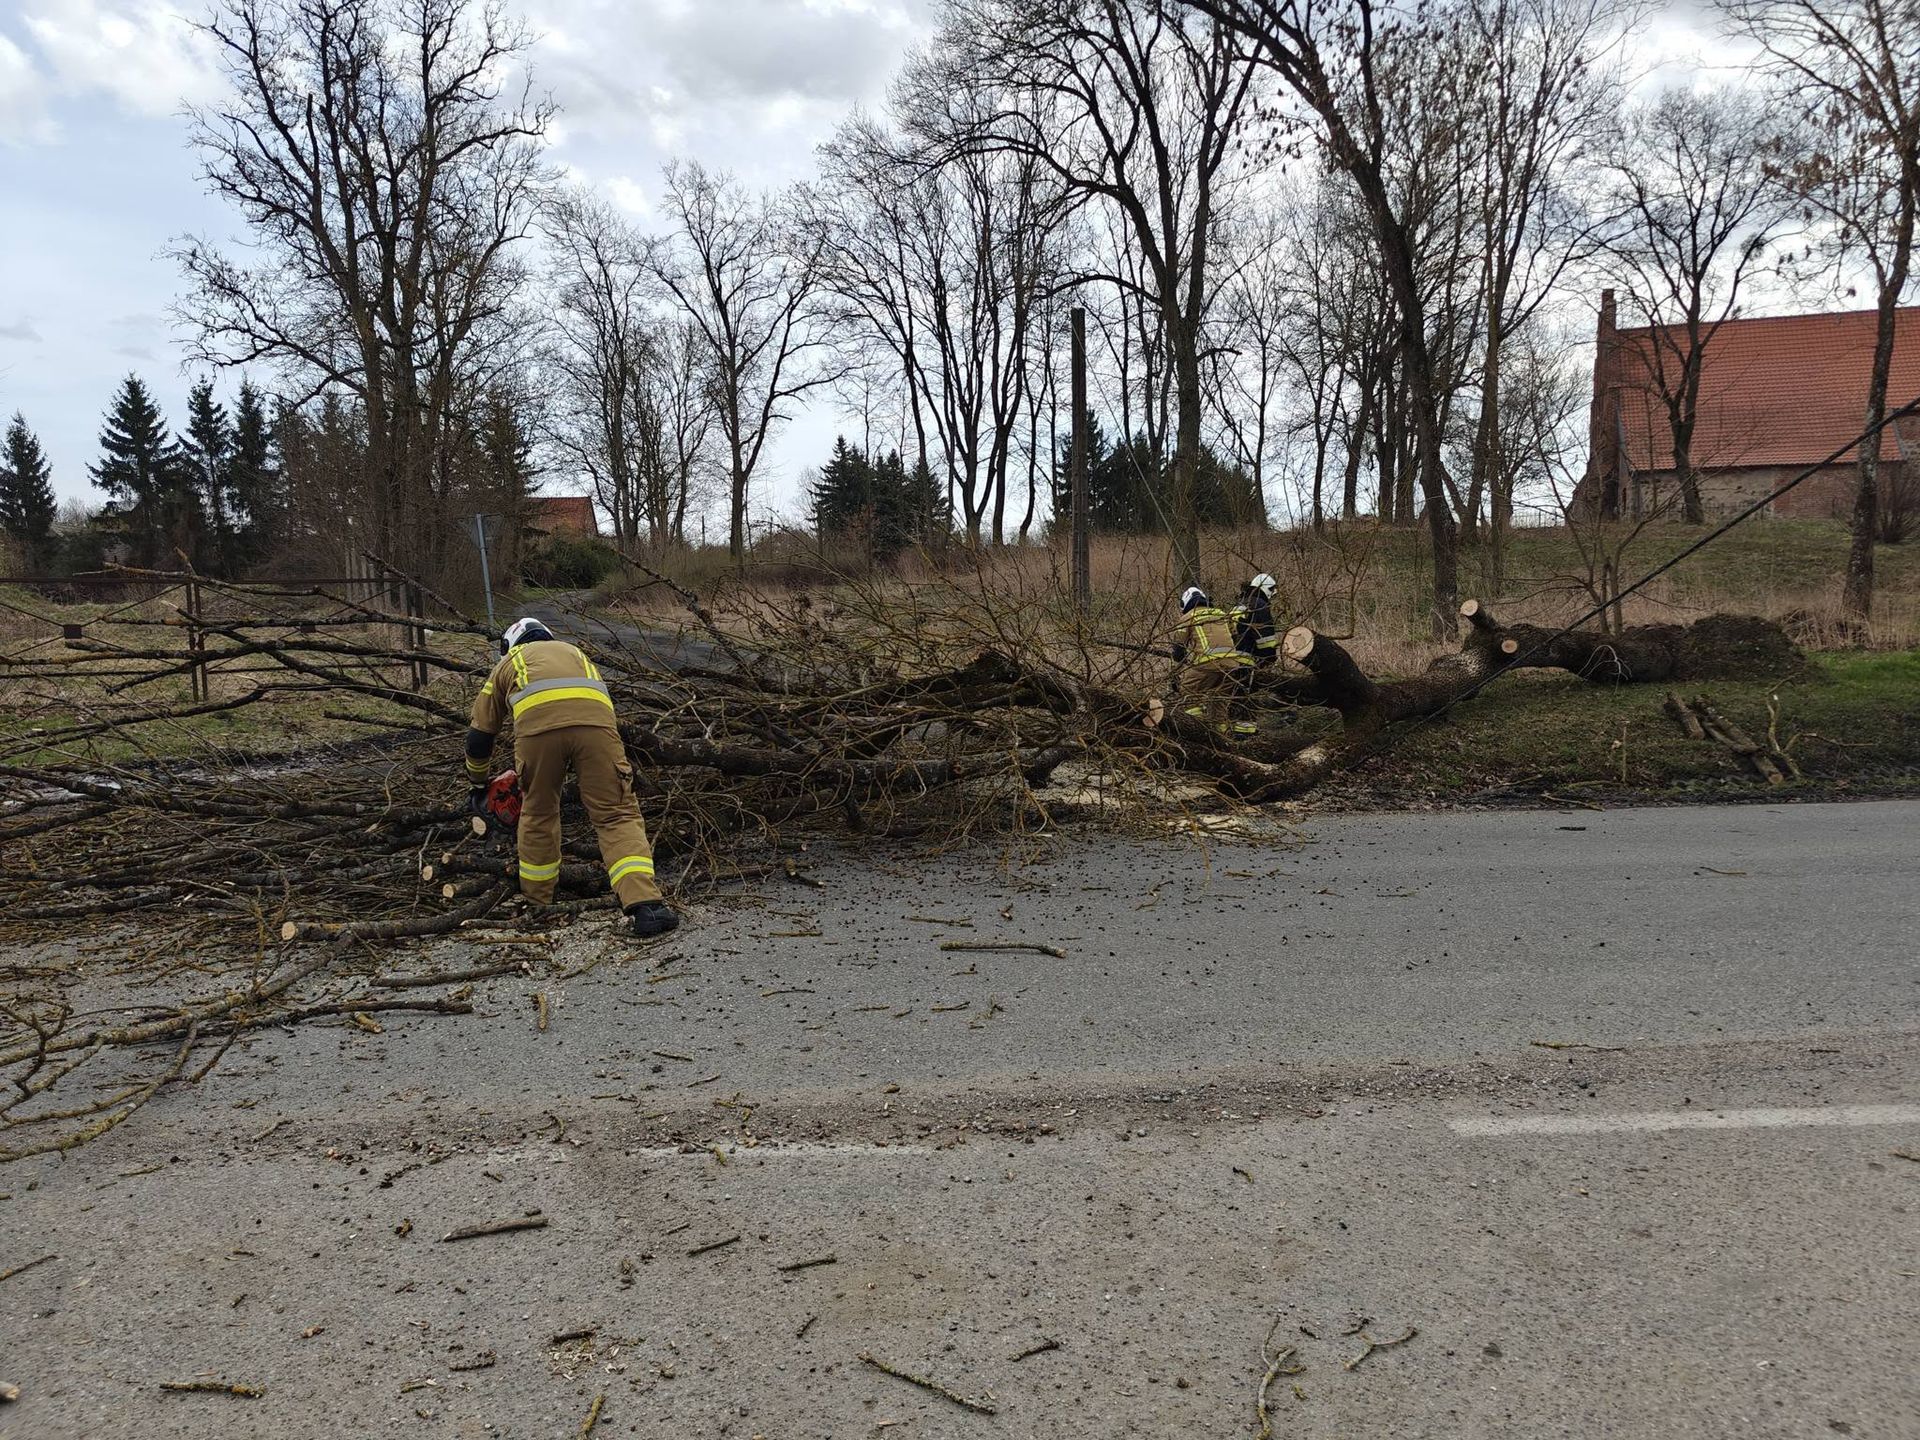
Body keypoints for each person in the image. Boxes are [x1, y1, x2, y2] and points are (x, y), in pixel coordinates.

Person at [465, 616, 679, 938]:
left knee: (538, 813)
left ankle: (540, 906)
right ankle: (647, 907)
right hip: (598, 730)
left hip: (538, 733)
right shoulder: (578, 654)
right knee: (616, 814)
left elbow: (480, 736)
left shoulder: (510, 662)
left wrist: (478, 782)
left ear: (510, 644)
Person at [1170, 586, 1253, 736]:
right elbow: (1234, 636)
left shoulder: (1188, 617)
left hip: (1208, 663)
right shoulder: (1221, 614)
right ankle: (1221, 736)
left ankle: (1197, 731)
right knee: (1218, 700)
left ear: (1185, 603)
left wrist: (1180, 666)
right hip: (1232, 665)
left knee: (1188, 691)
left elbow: (1178, 650)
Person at [1232, 572, 1281, 665]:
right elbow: (1266, 638)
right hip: (1245, 659)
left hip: (1230, 657)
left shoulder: (1240, 603)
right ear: (1267, 589)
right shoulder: (1260, 605)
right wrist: (1269, 659)